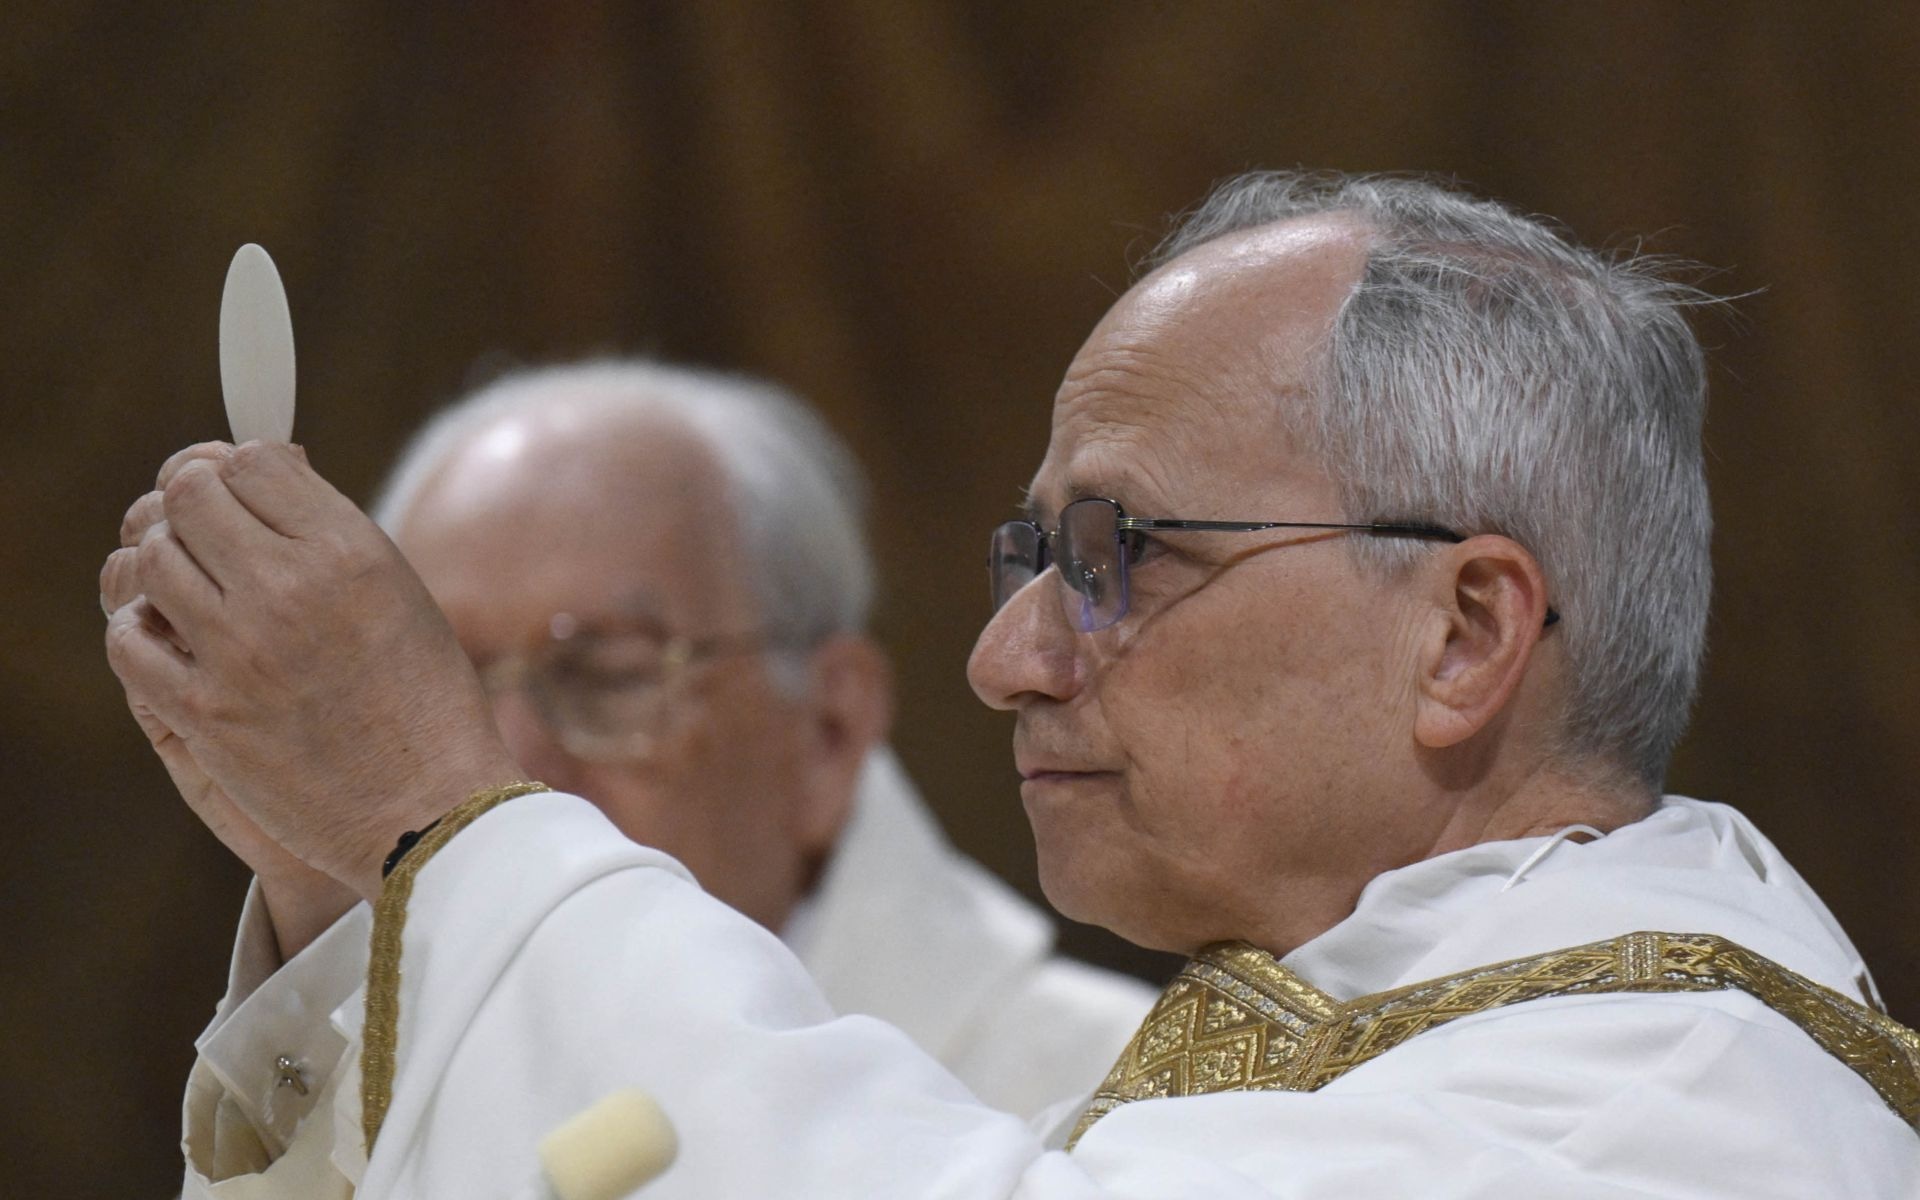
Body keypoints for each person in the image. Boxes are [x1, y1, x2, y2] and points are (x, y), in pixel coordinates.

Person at [104, 171, 1920, 1197]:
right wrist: (372, 896)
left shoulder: (1664, 1122)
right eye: (1032, 560)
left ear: (1459, 634)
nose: (1005, 658)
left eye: (1121, 553)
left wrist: (444, 820)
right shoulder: (1428, 1049)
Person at [131, 361, 1153, 1196]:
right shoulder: (365, 1045)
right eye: (432, 689)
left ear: (831, 730)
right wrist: (323, 907)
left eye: (608, 675)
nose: (513, 757)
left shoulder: (1131, 1108)